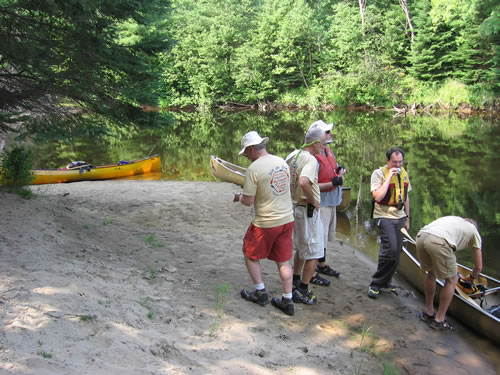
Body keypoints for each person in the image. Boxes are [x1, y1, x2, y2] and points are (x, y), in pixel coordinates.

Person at [234, 131, 296, 316]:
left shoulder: (254, 169)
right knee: (283, 260)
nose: (246, 157)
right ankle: (287, 300)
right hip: (287, 219)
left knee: (250, 253)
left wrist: (239, 196)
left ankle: (260, 292)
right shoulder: (281, 161)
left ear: (253, 149)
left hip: (267, 221)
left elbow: (248, 201)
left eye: (246, 153)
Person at [416, 216, 483, 331]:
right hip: (439, 241)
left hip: (421, 236)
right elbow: (478, 266)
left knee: (431, 274)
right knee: (452, 280)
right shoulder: (474, 231)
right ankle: (439, 320)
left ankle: (429, 312)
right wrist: (471, 278)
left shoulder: (454, 220)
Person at [287, 126, 327, 304]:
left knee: (301, 248)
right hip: (307, 210)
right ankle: (303, 289)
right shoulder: (311, 160)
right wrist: (314, 201)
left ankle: (295, 279)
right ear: (316, 142)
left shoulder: (294, 155)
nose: (324, 148)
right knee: (313, 252)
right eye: (323, 144)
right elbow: (304, 182)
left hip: (296, 207)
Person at [368, 147, 411, 299]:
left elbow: (406, 197)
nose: (398, 166)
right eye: (394, 162)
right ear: (387, 161)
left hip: (399, 216)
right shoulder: (378, 173)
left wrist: (407, 218)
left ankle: (386, 282)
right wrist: (388, 178)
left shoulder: (404, 173)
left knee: (397, 253)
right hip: (384, 215)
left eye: (400, 162)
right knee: (390, 249)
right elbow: (378, 197)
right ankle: (376, 284)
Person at [308, 120, 346, 286]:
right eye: (327, 132)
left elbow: (330, 170)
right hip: (320, 203)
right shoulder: (312, 157)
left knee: (324, 237)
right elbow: (309, 184)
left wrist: (339, 172)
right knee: (317, 238)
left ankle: (321, 264)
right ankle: (312, 271)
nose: (330, 134)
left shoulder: (327, 151)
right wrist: (332, 183)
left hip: (331, 202)